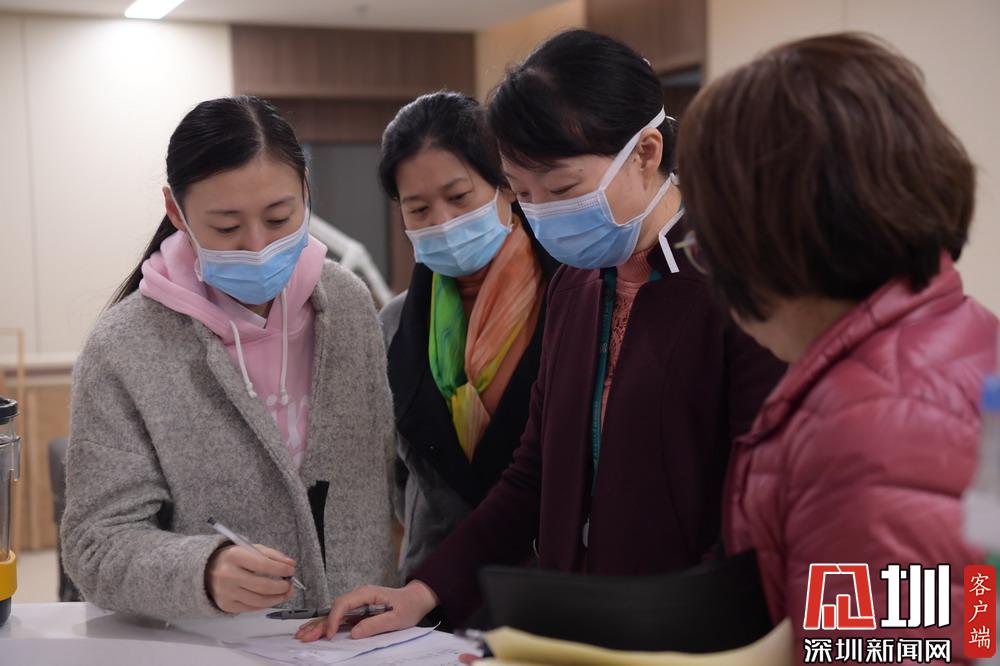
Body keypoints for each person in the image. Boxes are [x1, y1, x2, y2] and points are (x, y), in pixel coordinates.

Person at [297, 30, 785, 642]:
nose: (543, 212)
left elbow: (759, 501)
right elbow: (533, 475)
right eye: (523, 193)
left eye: (561, 189)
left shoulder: (739, 286)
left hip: (690, 630)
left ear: (646, 152)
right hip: (574, 623)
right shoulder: (577, 286)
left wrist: (679, 627)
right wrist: (422, 591)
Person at [675, 33, 998, 657]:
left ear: (765, 238)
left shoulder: (870, 429)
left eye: (707, 243)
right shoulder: (962, 332)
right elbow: (976, 615)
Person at [61, 95, 396, 620]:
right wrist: (203, 571)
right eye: (226, 228)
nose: (257, 246)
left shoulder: (349, 306)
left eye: (280, 217)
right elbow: (95, 543)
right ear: (176, 211)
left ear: (306, 193)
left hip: (362, 637)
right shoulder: (125, 347)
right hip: (217, 644)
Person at [377, 92, 559, 584]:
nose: (442, 222)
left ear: (506, 185)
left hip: (545, 582)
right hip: (431, 582)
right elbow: (396, 476)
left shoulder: (569, 297)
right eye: (418, 208)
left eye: (459, 198)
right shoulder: (395, 324)